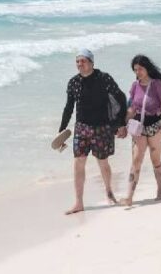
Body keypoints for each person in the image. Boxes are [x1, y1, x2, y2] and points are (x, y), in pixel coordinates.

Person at [57, 48, 127, 215]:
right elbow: (68, 108)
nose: (79, 64)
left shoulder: (103, 78)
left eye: (83, 61)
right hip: (81, 128)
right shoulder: (73, 82)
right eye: (77, 61)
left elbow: (121, 98)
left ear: (91, 62)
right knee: (78, 163)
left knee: (102, 163)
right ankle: (79, 202)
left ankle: (109, 193)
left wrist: (121, 123)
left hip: (102, 127)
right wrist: (61, 131)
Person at [122, 55, 161, 206]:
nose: (137, 72)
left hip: (155, 125)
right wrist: (123, 125)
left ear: (147, 68)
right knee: (136, 160)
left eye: (140, 69)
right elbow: (131, 108)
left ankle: (160, 190)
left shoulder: (157, 84)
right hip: (138, 126)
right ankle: (129, 197)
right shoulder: (134, 86)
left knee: (155, 159)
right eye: (135, 70)